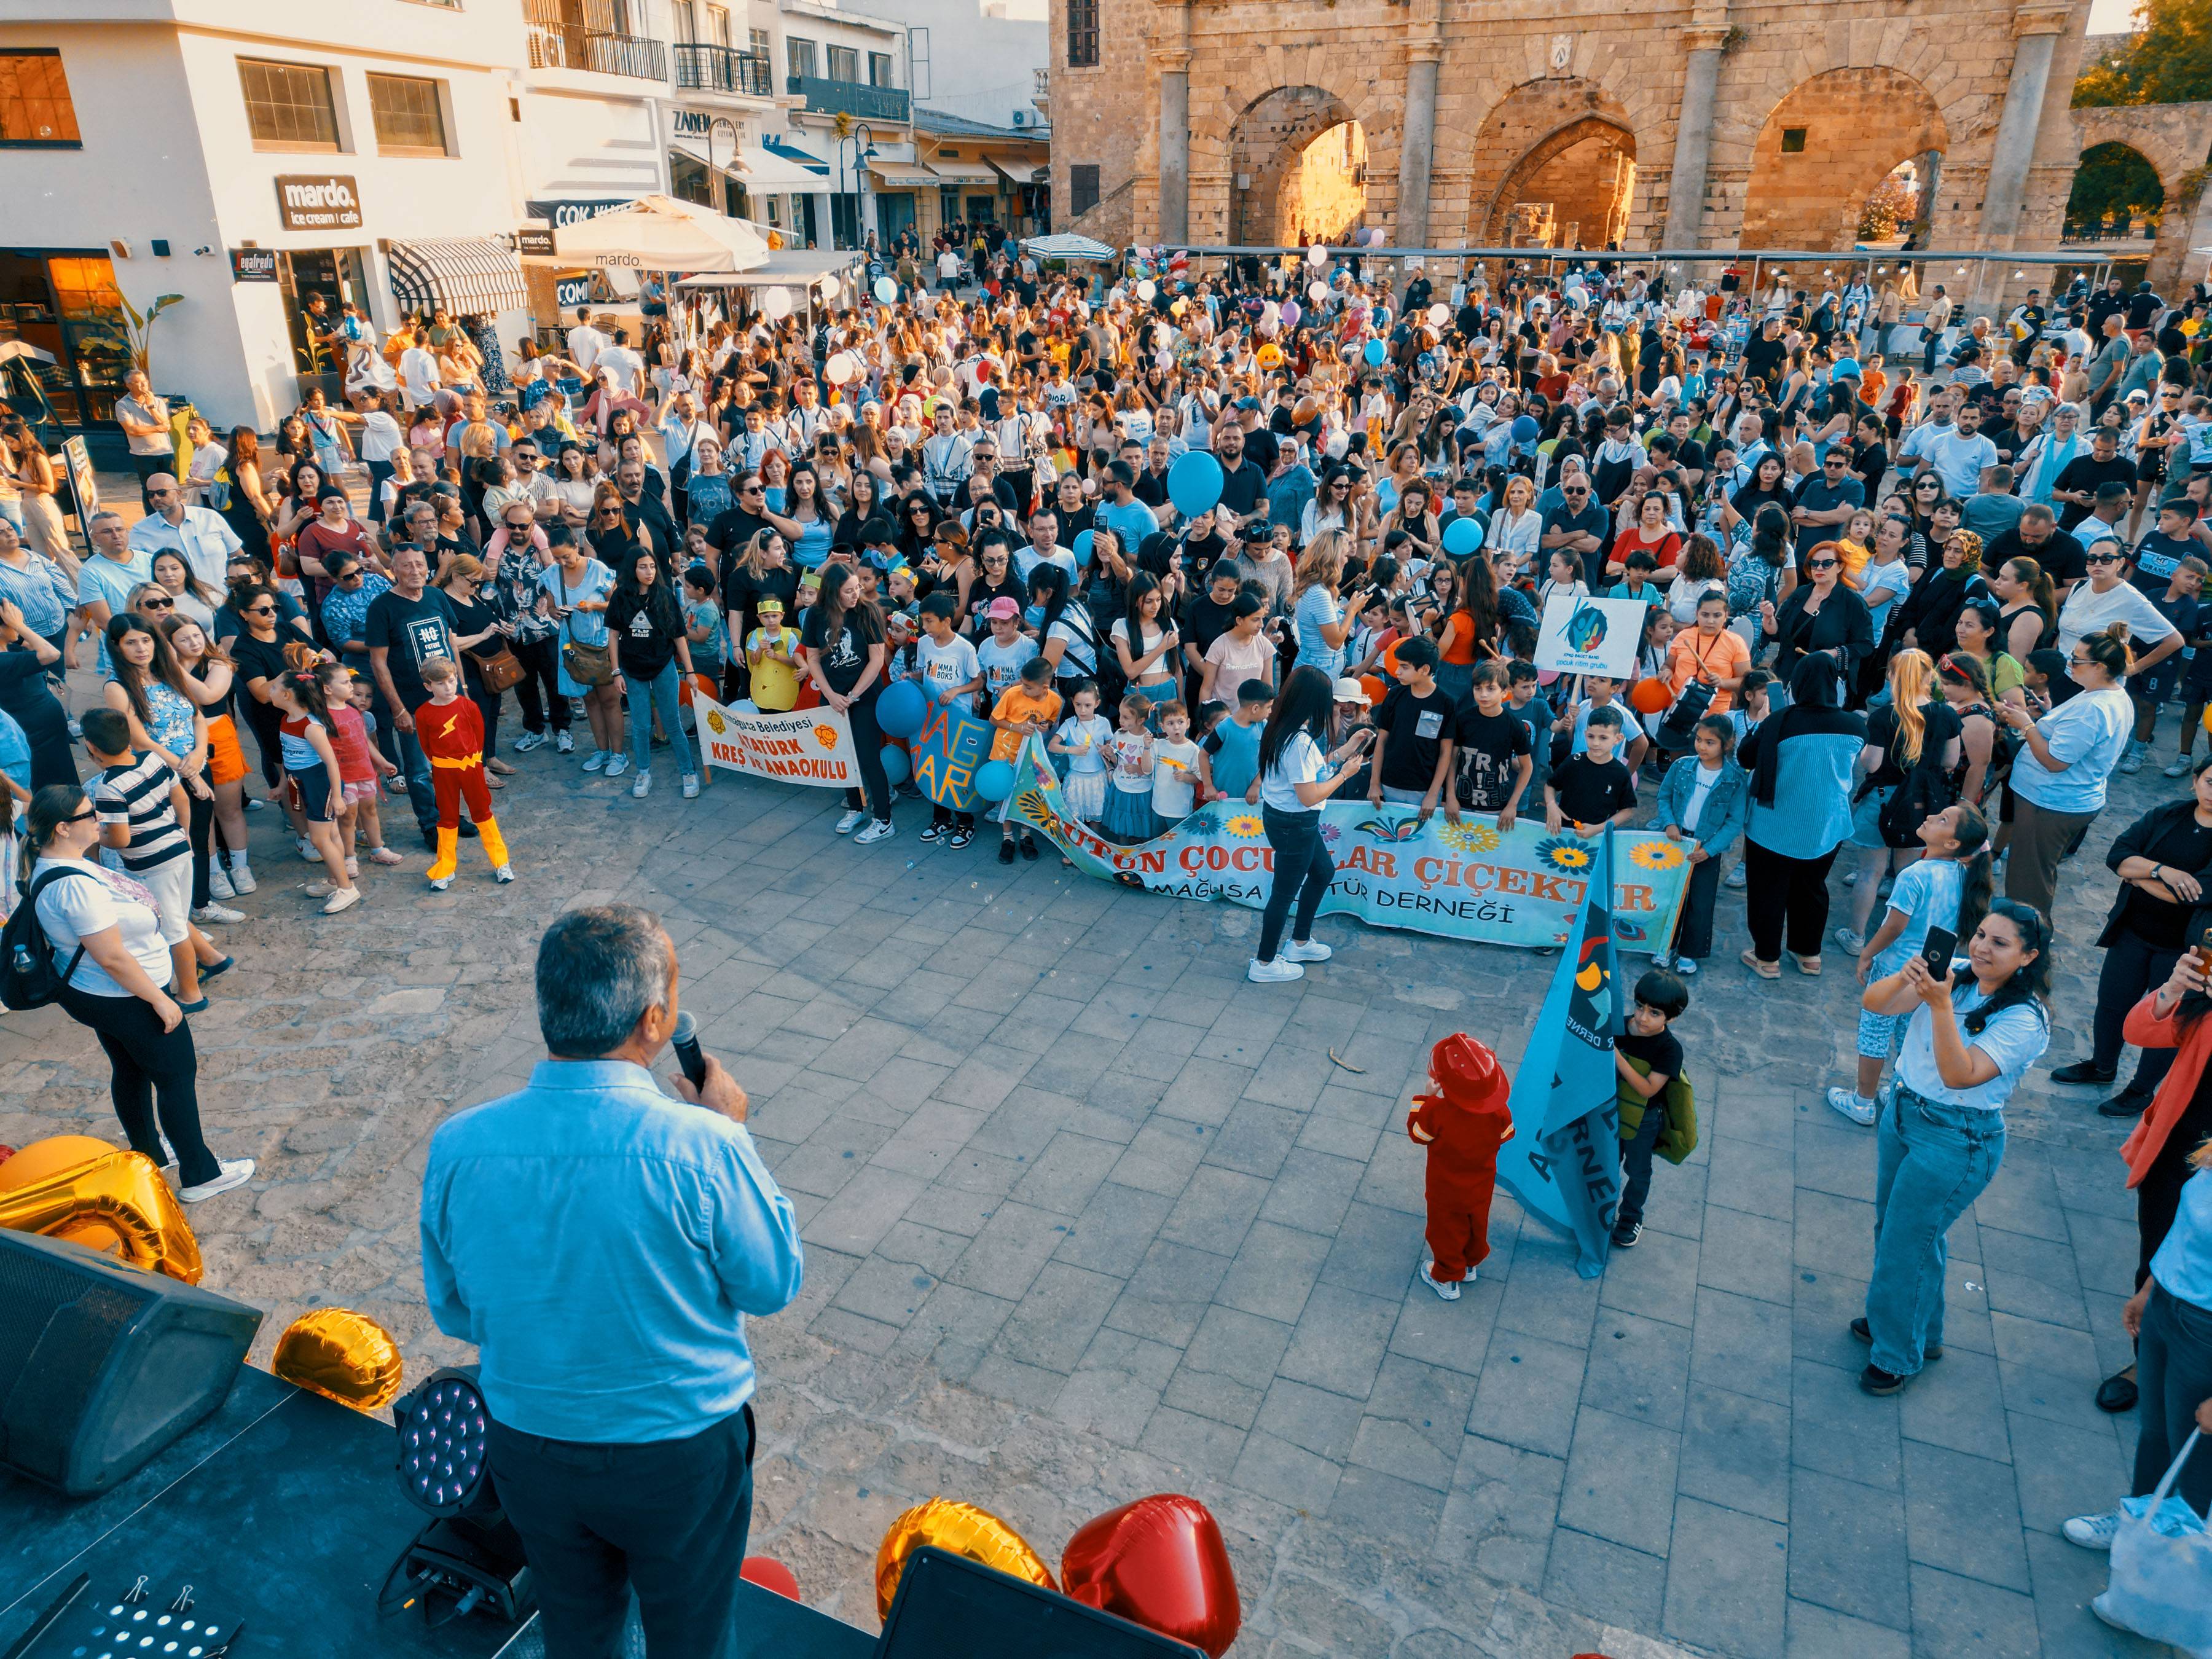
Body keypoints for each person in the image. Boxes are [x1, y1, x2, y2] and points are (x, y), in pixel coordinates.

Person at [420, 905, 803, 1659]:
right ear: (654, 1020)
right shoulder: (704, 1146)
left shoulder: (460, 1145)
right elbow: (771, 1283)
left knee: (575, 1628)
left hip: (530, 1446)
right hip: (679, 1454)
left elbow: (456, 1310)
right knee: (690, 1634)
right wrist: (736, 1131)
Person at [15, 784, 253, 1201]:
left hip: (103, 993)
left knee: (130, 1069)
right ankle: (200, 1174)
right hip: (122, 995)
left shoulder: (62, 864)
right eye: (90, 815)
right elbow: (112, 957)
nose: (100, 820)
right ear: (63, 829)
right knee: (177, 1076)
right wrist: (160, 999)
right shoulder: (73, 885)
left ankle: (149, 1153)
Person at [1855, 900, 2052, 1394]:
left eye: (2000, 943)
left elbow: (1959, 1075)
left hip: (1956, 1138)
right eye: (1981, 934)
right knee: (1901, 1233)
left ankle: (1897, 1354)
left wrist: (1941, 1006)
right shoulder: (1956, 972)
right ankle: (1914, 1327)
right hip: (1904, 1114)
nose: (1982, 947)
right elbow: (1875, 1004)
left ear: (2028, 958)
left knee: (1906, 1244)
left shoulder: (2026, 1021)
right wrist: (1907, 977)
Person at [2053, 757, 2212, 1118]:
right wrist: (2162, 871)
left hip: (2186, 951)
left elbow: (2193, 894)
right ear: (2195, 781)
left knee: (2168, 1020)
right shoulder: (2168, 814)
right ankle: (2102, 1066)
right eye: (2210, 782)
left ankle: (2140, 1090)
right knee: (2111, 1004)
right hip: (2134, 933)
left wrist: (2138, 876)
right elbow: (2119, 855)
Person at [1738, 658, 1867, 978]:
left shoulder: (1781, 720)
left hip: (1775, 823)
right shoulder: (1855, 726)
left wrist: (1765, 722)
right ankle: (1809, 954)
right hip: (1828, 824)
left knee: (1769, 890)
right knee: (1812, 888)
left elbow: (1745, 755)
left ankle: (1767, 958)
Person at [1996, 623, 2135, 919]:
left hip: (2050, 803)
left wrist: (2027, 725)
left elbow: (2055, 762)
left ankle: (2025, 940)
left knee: (2028, 883)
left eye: (2077, 659)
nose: (2070, 664)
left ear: (2099, 666)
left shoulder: (2094, 707)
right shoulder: (2109, 694)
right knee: (2037, 872)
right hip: (2062, 800)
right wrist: (2048, 716)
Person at [1245, 664, 1373, 984]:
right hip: (1296, 822)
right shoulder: (1298, 741)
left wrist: (1344, 751)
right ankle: (1264, 962)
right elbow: (1308, 794)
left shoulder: (1280, 728)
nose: (1332, 706)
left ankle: (1299, 942)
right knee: (1284, 894)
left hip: (1288, 820)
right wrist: (1345, 774)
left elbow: (1309, 773)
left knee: (1323, 873)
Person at [1406, 1033, 1514, 1301]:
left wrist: (1425, 1097)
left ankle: (1445, 1278)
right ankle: (1469, 1265)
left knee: (1445, 1231)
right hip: (1481, 1185)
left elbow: (1418, 1133)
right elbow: (1506, 1135)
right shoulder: (1499, 1112)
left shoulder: (1437, 1111)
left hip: (1446, 1188)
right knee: (1476, 1224)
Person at [800, 560, 893, 842]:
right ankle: (855, 807)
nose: (857, 594)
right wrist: (830, 694)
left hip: (864, 695)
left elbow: (877, 659)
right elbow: (813, 658)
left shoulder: (867, 612)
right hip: (832, 696)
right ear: (832, 592)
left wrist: (853, 696)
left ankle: (884, 819)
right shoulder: (816, 615)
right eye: (849, 591)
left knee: (867, 757)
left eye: (857, 588)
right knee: (841, 754)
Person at [1651, 715, 1747, 975]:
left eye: (1710, 742)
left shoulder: (1735, 779)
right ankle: (1665, 945)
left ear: (1727, 744)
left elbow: (1734, 822)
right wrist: (1669, 823)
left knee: (1700, 901)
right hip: (1676, 842)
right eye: (1698, 740)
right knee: (1670, 896)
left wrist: (1710, 850)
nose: (1702, 747)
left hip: (1707, 848)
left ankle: (1689, 952)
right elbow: (1665, 797)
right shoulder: (1681, 766)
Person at [605, 544, 699, 799]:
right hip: (632, 669)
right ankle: (643, 773)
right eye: (643, 566)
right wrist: (616, 672)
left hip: (663, 666)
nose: (649, 572)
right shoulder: (621, 596)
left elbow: (679, 635)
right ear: (632, 568)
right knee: (640, 725)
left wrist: (689, 672)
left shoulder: (664, 594)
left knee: (672, 723)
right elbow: (613, 635)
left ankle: (689, 773)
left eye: (653, 566)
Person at [1612, 968, 1695, 1250]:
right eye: (1639, 1007)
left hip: (1644, 1119)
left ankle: (1631, 1217)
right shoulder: (1618, 1027)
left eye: (1655, 1013)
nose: (1642, 1018)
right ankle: (1595, 1208)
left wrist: (1616, 1057)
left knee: (1638, 1171)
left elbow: (1648, 1088)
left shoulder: (1670, 1049)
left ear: (1672, 1018)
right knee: (1605, 1162)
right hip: (1610, 1113)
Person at [414, 657, 516, 887]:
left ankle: (501, 862)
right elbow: (426, 744)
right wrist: (441, 763)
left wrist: (474, 761)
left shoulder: (468, 706)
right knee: (447, 819)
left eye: (452, 681)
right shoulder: (423, 713)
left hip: (470, 768)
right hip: (443, 771)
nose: (448, 687)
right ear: (428, 686)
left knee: (483, 813)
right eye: (440, 684)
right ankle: (446, 867)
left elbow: (479, 736)